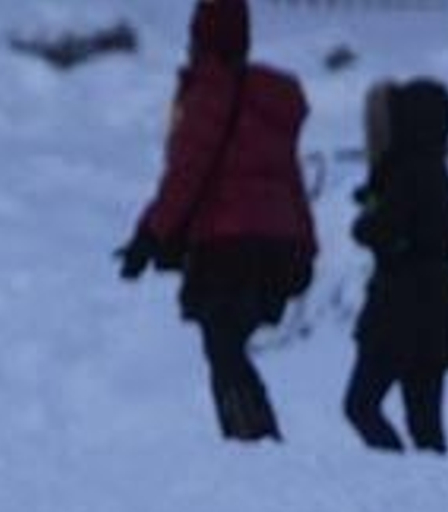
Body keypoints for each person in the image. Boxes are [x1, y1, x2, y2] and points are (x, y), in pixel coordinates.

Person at [116, 0, 316, 442]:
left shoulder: (210, 94)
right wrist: (306, 244)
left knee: (223, 346)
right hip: (275, 245)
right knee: (229, 344)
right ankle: (256, 438)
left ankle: (255, 441)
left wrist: (149, 236)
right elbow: (291, 179)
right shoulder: (267, 103)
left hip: (228, 242)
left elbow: (187, 173)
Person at [344, 78, 448, 454]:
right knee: (426, 424)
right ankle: (435, 496)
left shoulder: (408, 171)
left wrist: (368, 217)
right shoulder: (438, 170)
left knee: (361, 405)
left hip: (399, 306)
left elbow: (376, 230)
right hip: (439, 307)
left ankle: (396, 474)